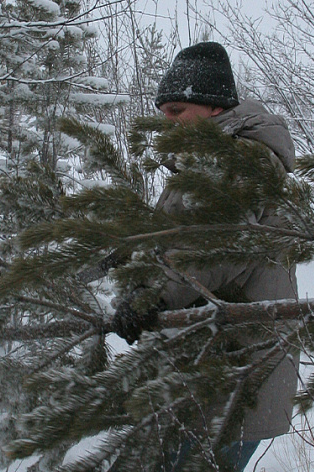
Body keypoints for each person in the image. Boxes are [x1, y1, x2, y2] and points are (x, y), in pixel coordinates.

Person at [111, 42, 299, 471]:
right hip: (204, 359)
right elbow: (182, 236)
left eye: (177, 110)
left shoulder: (244, 158)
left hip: (237, 365)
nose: (166, 121)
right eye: (163, 111)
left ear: (214, 107)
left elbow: (222, 247)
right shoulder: (206, 161)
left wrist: (153, 296)